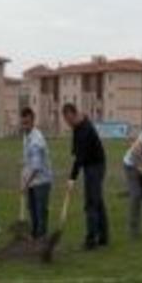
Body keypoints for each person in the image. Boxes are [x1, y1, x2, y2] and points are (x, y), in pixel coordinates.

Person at [62, 103, 108, 250]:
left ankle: (91, 240)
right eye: (65, 120)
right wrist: (72, 176)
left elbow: (79, 158)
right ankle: (104, 237)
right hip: (90, 164)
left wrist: (71, 178)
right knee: (97, 201)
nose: (67, 122)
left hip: (95, 165)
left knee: (91, 203)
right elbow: (76, 153)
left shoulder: (85, 129)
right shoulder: (77, 127)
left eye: (68, 118)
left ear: (74, 114)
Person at [20, 107, 53, 240]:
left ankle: (42, 240)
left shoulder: (36, 140)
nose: (25, 126)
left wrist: (25, 184)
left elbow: (36, 167)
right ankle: (34, 238)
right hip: (32, 180)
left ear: (33, 120)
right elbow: (29, 159)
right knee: (32, 211)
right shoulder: (26, 136)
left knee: (40, 213)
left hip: (42, 181)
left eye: (27, 123)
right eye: (23, 123)